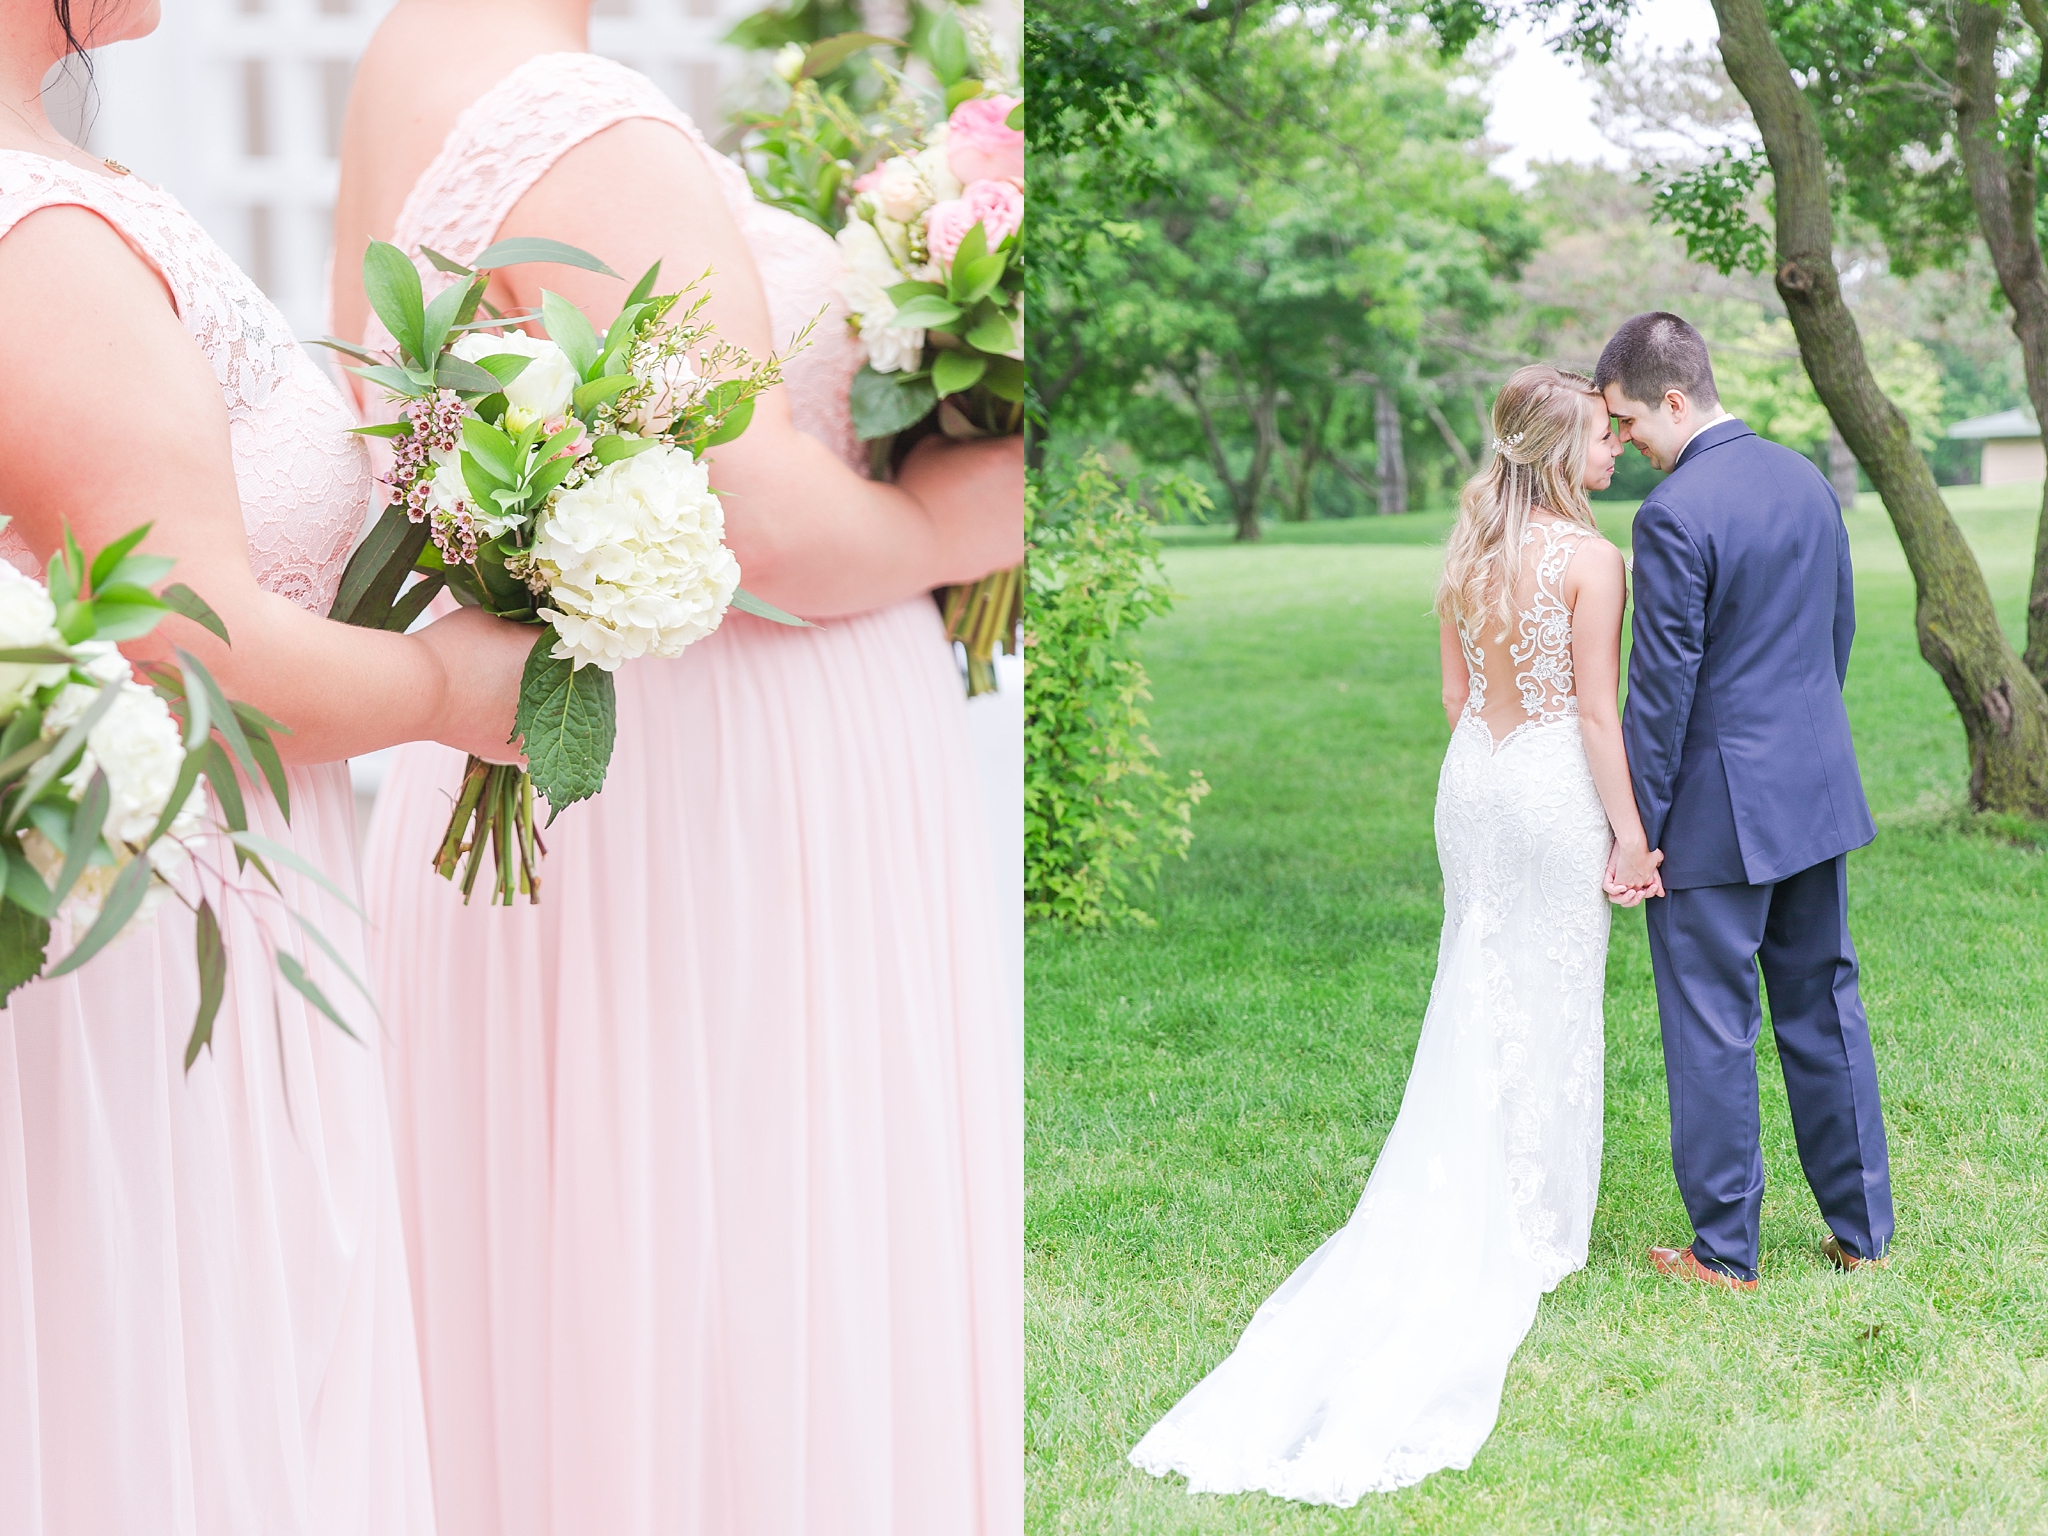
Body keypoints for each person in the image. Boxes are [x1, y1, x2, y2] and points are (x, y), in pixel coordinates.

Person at [328, 6, 1024, 1533]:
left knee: (586, 1301)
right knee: (749, 1294)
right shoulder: (576, 115)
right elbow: (751, 507)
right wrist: (960, 527)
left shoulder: (405, 63)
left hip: (569, 788)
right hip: (706, 814)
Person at [0, 0, 535, 1529]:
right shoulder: (35, 235)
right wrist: (450, 687)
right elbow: (195, 638)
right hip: (142, 957)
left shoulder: (57, 187)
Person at [1130, 365, 1652, 1505]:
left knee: (1477, 975)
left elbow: (1461, 697)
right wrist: (1626, 835)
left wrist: (1501, 765)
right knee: (1548, 986)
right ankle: (1536, 1218)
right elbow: (1600, 713)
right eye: (1599, 442)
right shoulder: (1593, 561)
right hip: (1551, 783)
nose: (1613, 452)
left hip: (1472, 781)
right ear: (1559, 453)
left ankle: (1498, 1179)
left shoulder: (1466, 554)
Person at [1596, 310, 1892, 1291]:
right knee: (1824, 1009)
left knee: (1710, 1029)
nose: (1626, 446)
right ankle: (1861, 1235)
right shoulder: (1805, 479)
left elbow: (1660, 691)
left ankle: (1723, 1254)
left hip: (1714, 819)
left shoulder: (1672, 515)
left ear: (1673, 401)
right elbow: (1833, 636)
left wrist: (1633, 830)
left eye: (1629, 423)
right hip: (1813, 792)